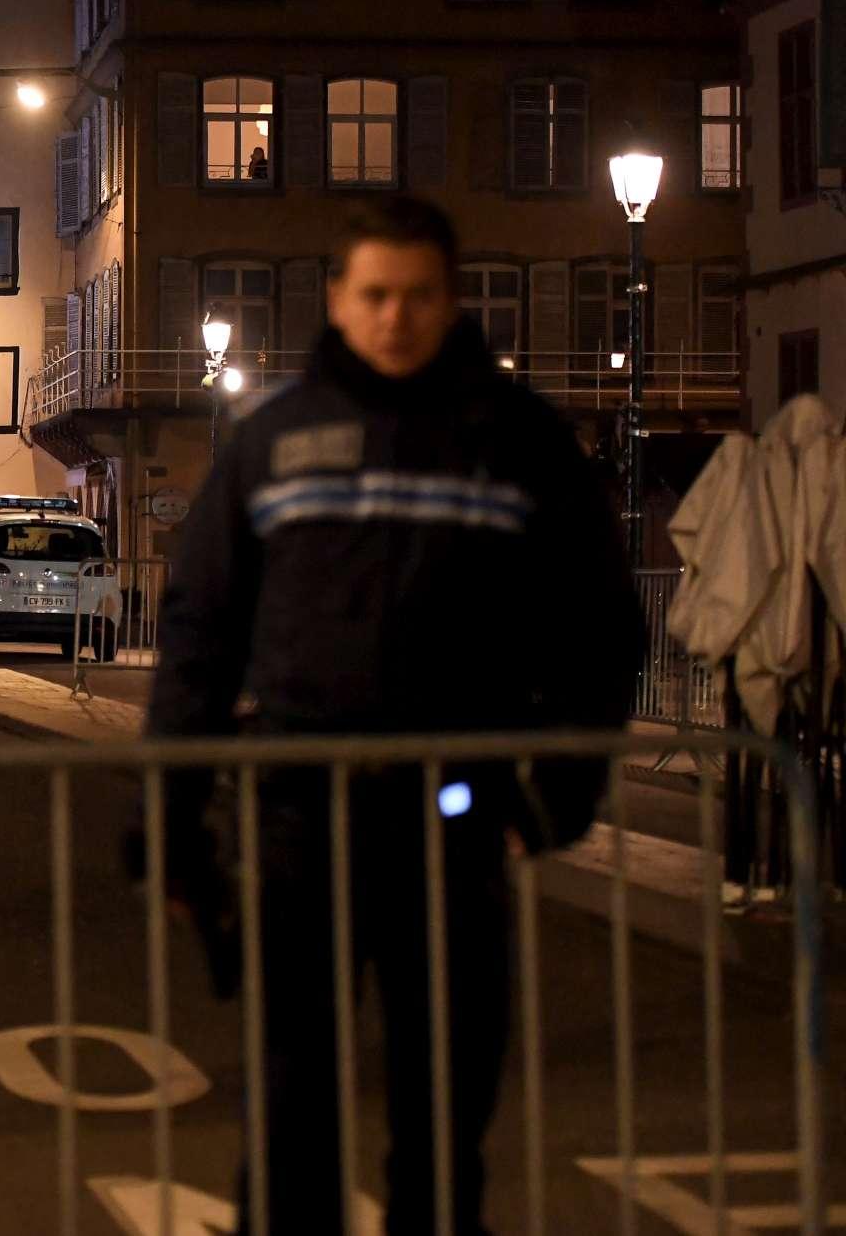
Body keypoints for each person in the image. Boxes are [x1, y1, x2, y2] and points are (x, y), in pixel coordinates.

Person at [143, 195, 639, 1235]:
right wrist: (175, 824)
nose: (395, 317)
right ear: (337, 298)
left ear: (449, 300)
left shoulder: (517, 441)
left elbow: (596, 624)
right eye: (374, 294)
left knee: (445, 1105)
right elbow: (198, 634)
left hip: (451, 821)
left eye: (417, 296)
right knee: (290, 1103)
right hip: (295, 819)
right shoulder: (272, 442)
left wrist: (555, 799)